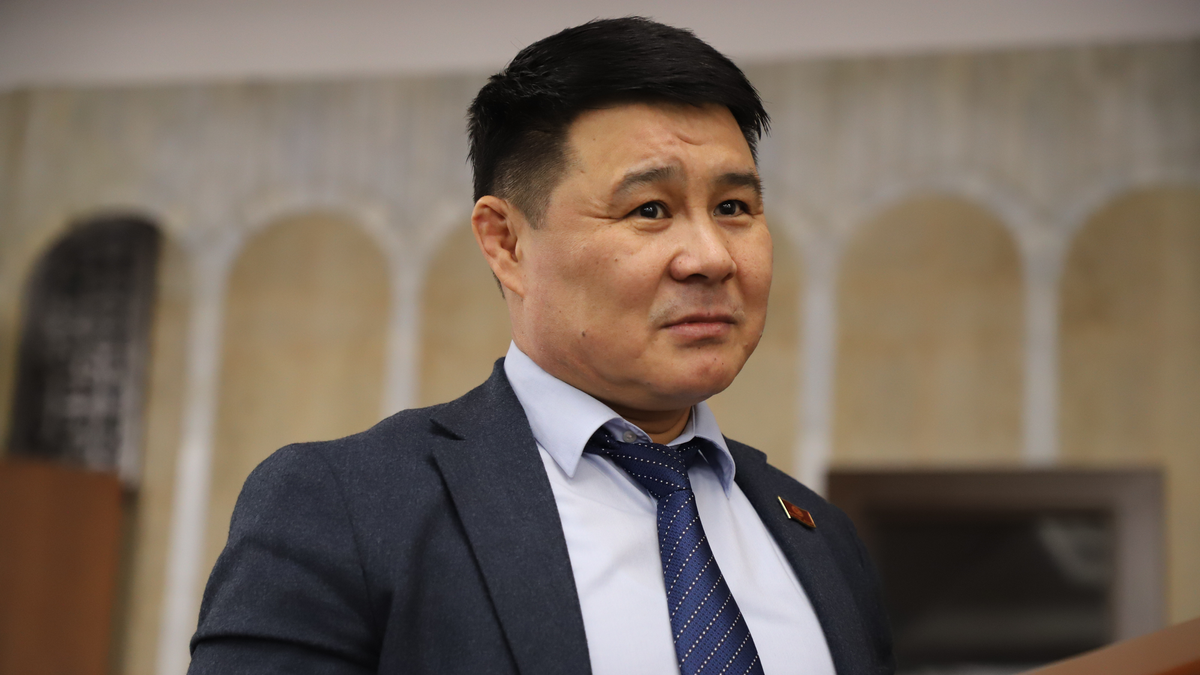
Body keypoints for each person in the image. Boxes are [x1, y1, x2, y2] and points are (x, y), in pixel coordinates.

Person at [189, 17, 894, 675]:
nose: (711, 257)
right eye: (650, 209)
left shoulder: (820, 538)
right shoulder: (346, 507)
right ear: (506, 242)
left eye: (733, 207)